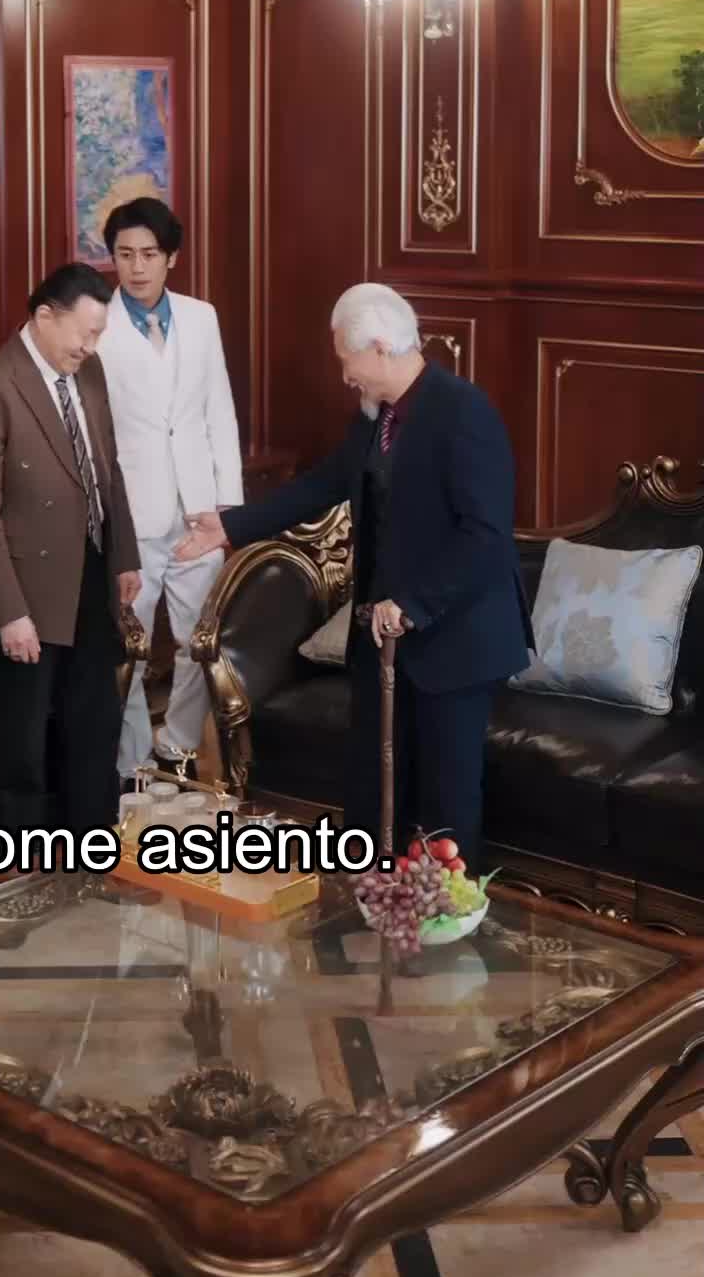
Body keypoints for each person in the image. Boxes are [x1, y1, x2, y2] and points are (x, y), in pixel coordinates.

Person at [176, 283, 533, 871]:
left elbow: (486, 538)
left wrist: (414, 604)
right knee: (373, 791)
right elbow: (324, 484)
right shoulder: (377, 417)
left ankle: (445, 912)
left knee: (444, 799)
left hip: (454, 641)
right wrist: (230, 526)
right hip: (383, 642)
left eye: (347, 359)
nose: (345, 375)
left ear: (380, 348)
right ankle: (369, 899)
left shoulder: (464, 412)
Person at [0, 262, 141, 841]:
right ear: (44, 317)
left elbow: (107, 469)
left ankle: (92, 856)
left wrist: (124, 555)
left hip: (91, 576)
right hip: (23, 593)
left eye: (99, 334)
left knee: (94, 728)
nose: (90, 347)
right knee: (21, 748)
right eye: (84, 333)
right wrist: (9, 612)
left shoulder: (90, 371)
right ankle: (18, 874)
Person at [95, 197, 243, 779]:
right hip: (131, 513)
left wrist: (226, 506)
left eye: (149, 254)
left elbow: (218, 410)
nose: (136, 267)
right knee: (126, 645)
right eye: (125, 254)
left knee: (200, 640)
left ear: (171, 258)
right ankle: (130, 760)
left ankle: (176, 745)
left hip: (198, 510)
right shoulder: (97, 325)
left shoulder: (201, 316)